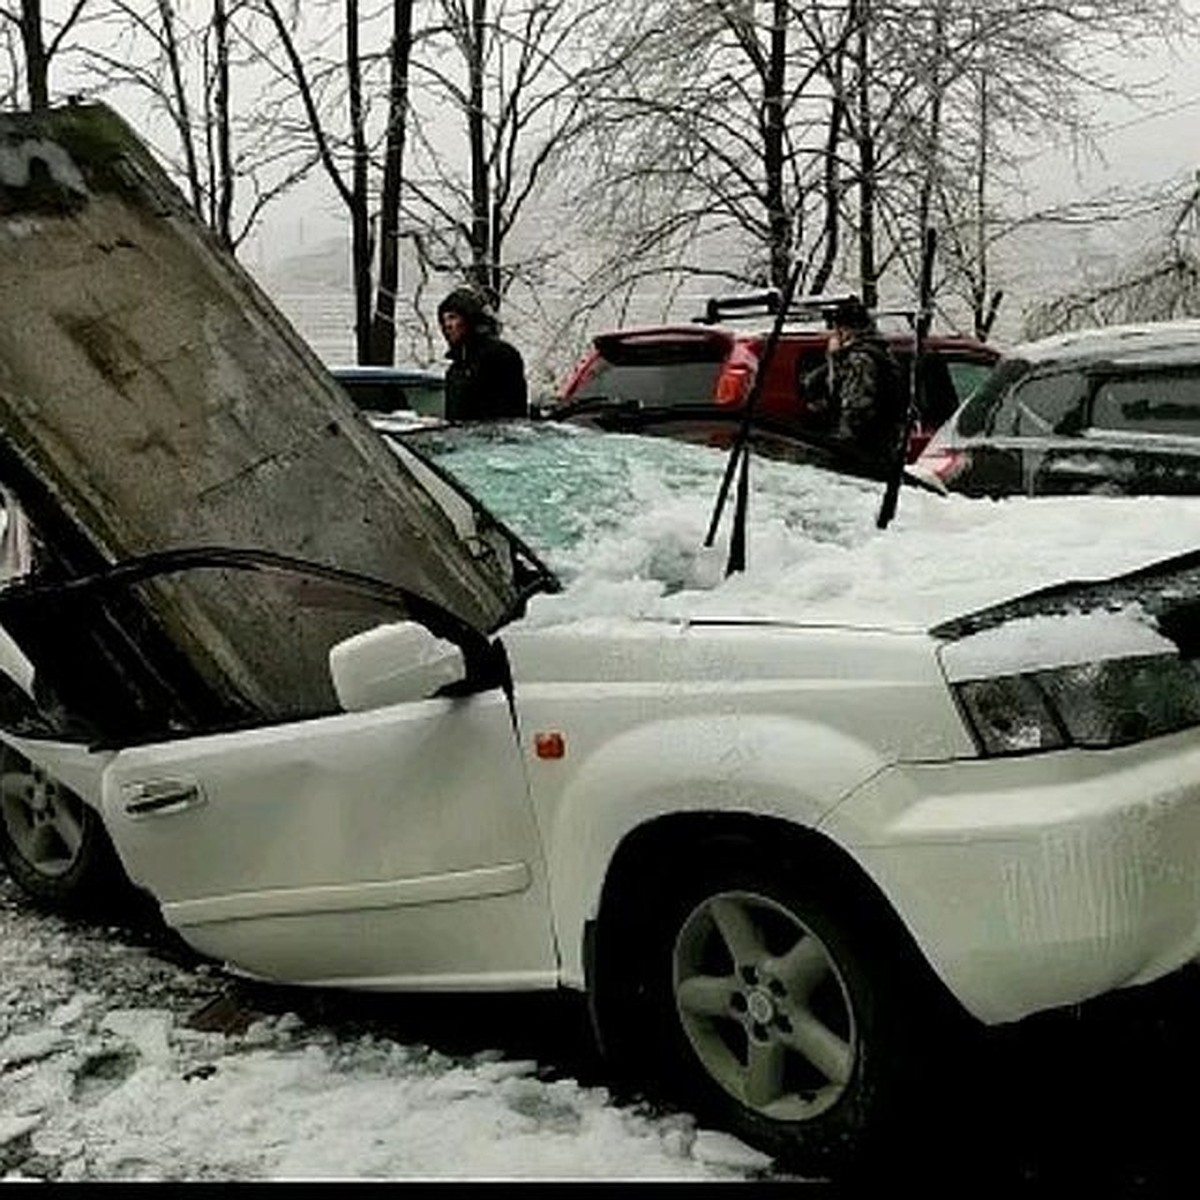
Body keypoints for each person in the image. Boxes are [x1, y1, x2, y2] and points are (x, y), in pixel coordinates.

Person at [801, 295, 905, 472]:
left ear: (846, 330)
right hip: (878, 448)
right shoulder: (879, 353)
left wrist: (837, 448)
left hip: (863, 454)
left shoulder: (860, 359)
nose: (833, 335)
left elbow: (856, 409)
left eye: (836, 330)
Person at [436, 285, 528, 421]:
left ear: (468, 318)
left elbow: (512, 411)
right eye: (444, 320)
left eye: (453, 317)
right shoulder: (456, 369)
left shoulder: (499, 355)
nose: (448, 325)